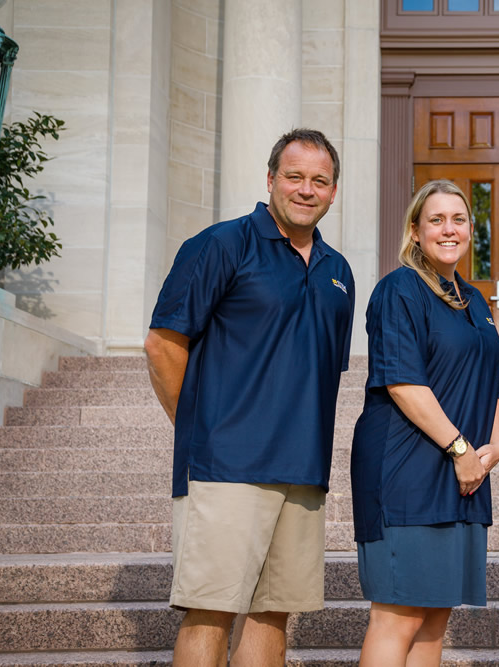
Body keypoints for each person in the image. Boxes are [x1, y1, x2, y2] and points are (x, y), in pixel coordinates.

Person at [144, 128, 354, 667]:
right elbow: (164, 344)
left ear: (333, 192)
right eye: (294, 177)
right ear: (270, 180)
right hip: (226, 466)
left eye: (319, 181)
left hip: (303, 470)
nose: (306, 189)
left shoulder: (339, 273)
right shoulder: (220, 245)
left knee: (273, 614)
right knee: (209, 611)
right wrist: (201, 426)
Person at [351, 179, 499, 667]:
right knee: (398, 616)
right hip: (408, 467)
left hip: (463, 471)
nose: (448, 229)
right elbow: (402, 383)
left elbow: (492, 380)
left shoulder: (473, 300)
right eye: (436, 220)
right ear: (415, 231)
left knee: (435, 615)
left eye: (458, 219)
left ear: (470, 230)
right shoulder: (399, 290)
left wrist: (495, 444)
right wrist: (461, 450)